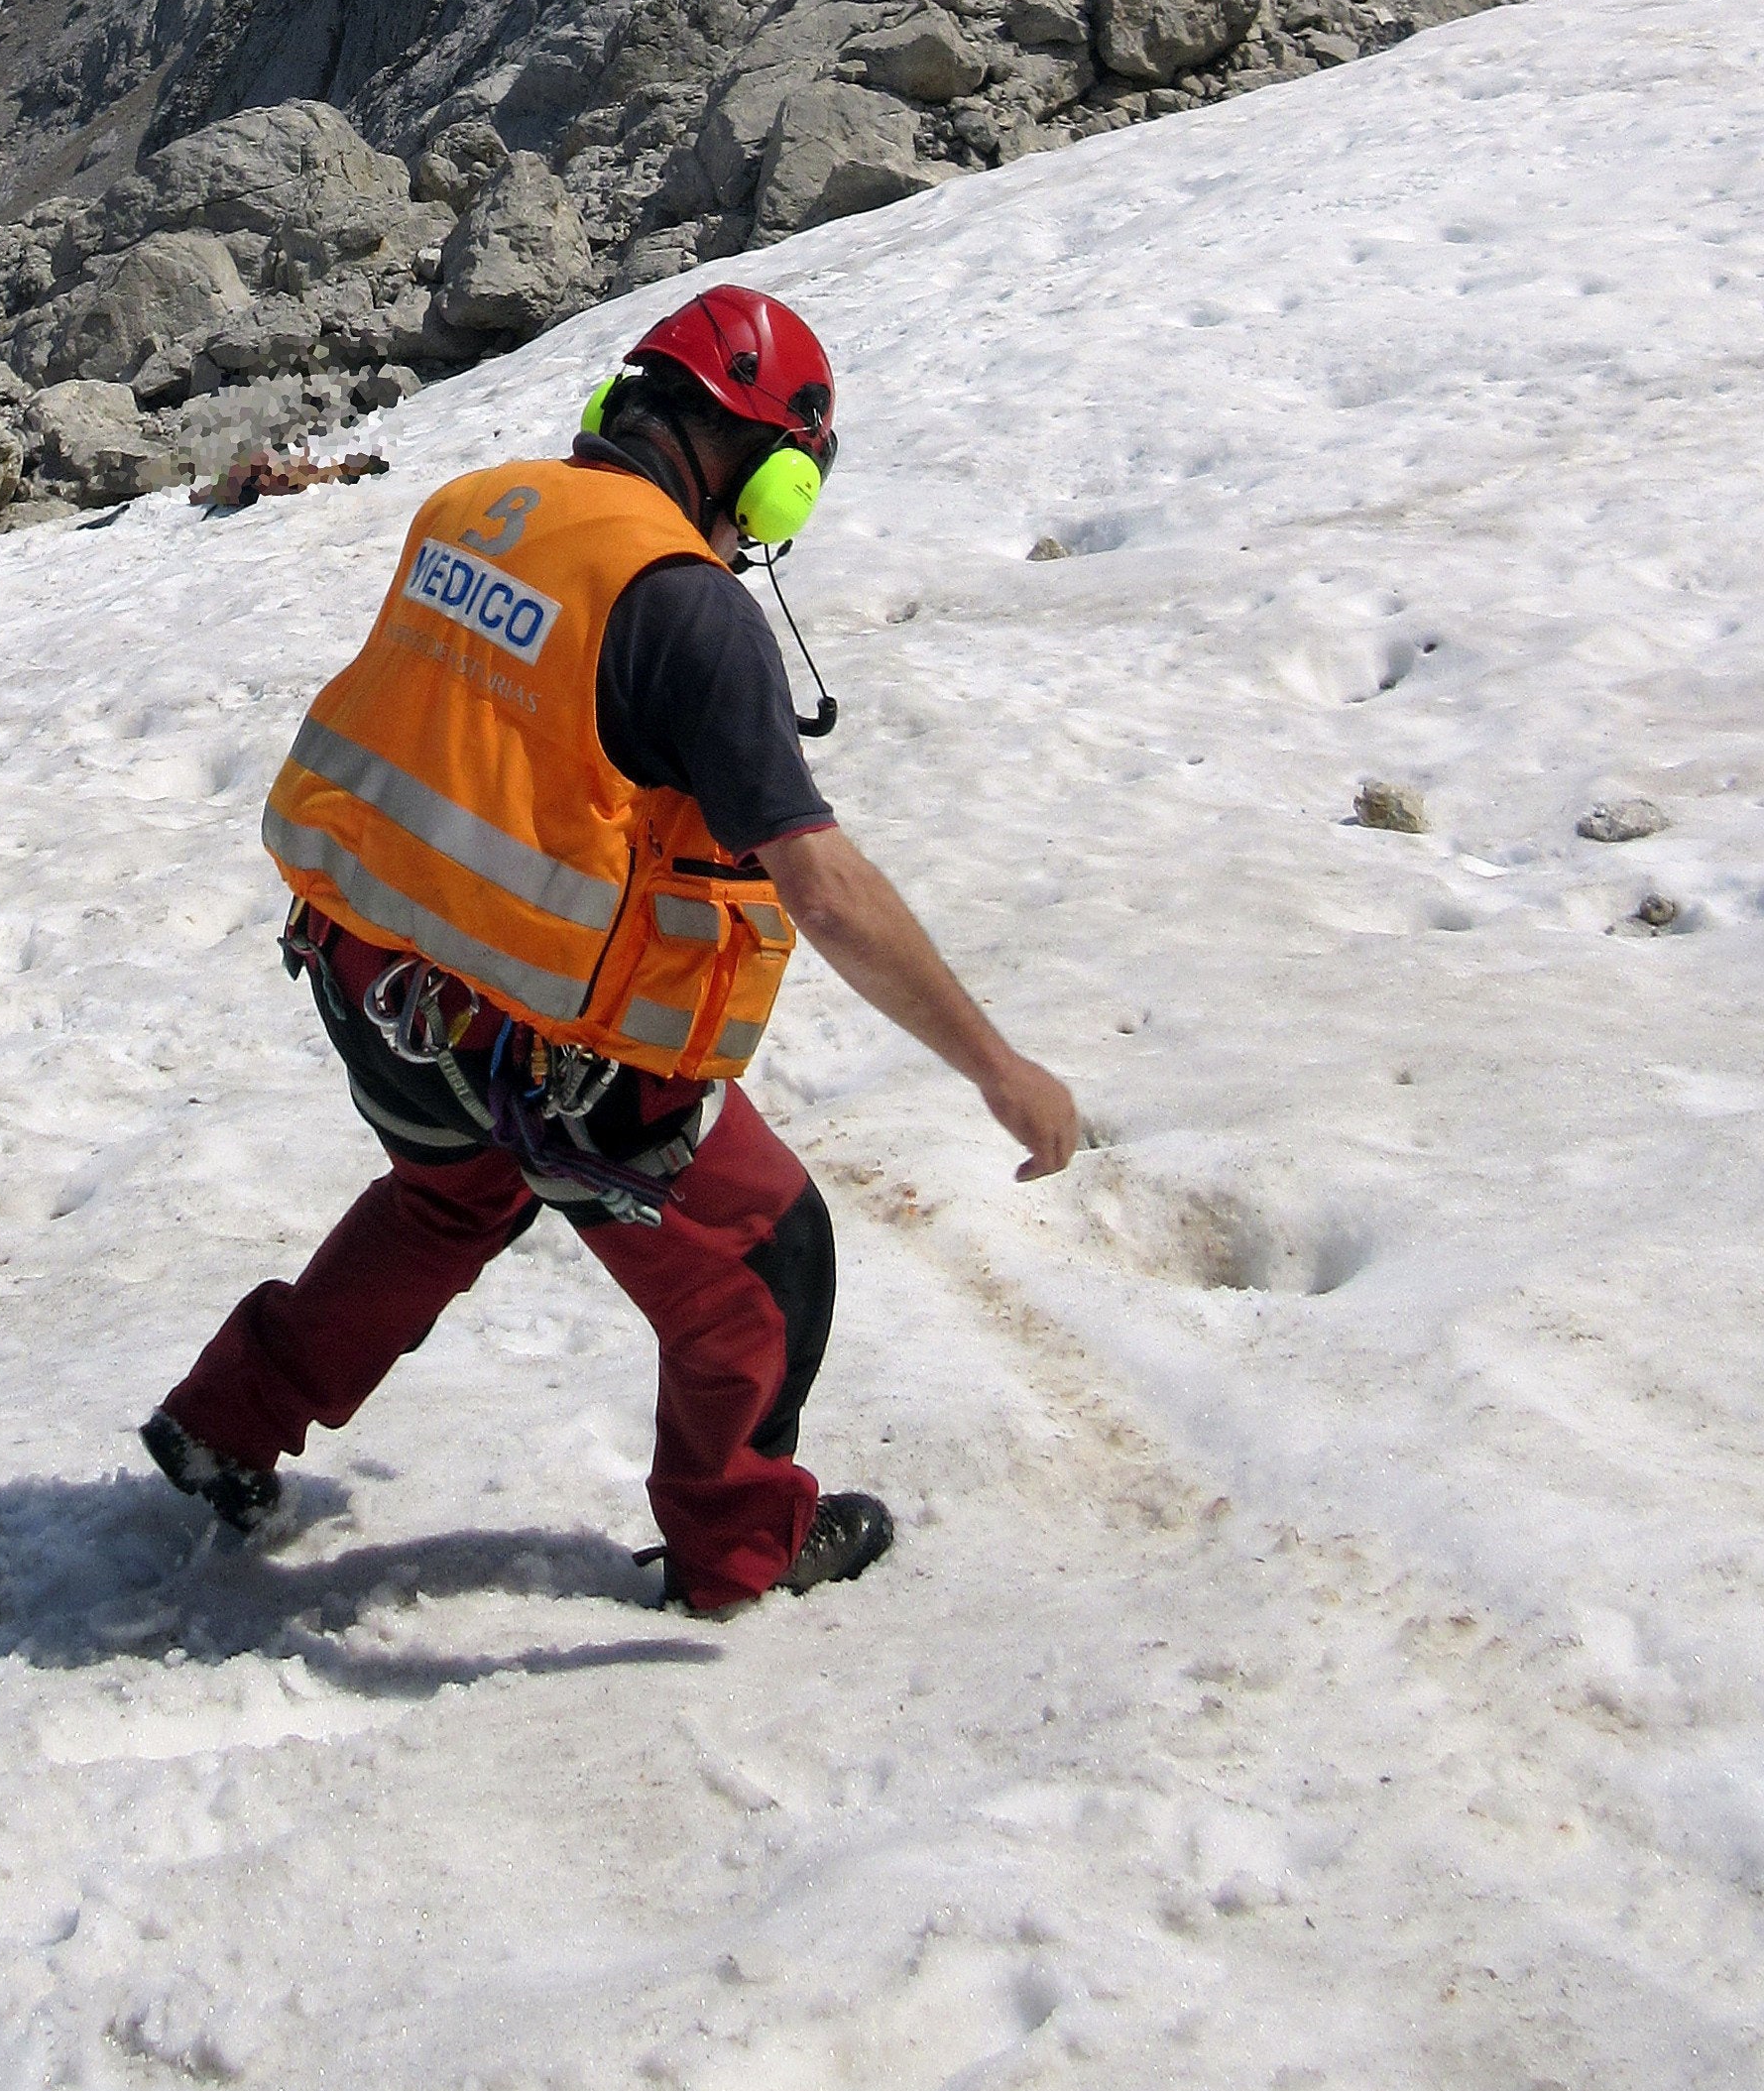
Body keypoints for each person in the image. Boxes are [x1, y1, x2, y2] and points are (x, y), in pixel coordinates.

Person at [141, 285, 1079, 1617]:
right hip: (538, 1045)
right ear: (764, 474)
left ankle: (228, 1416)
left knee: (451, 1195)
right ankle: (736, 1550)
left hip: (363, 975)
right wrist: (997, 1065)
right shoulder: (688, 612)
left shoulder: (475, 505)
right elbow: (821, 883)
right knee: (767, 1263)